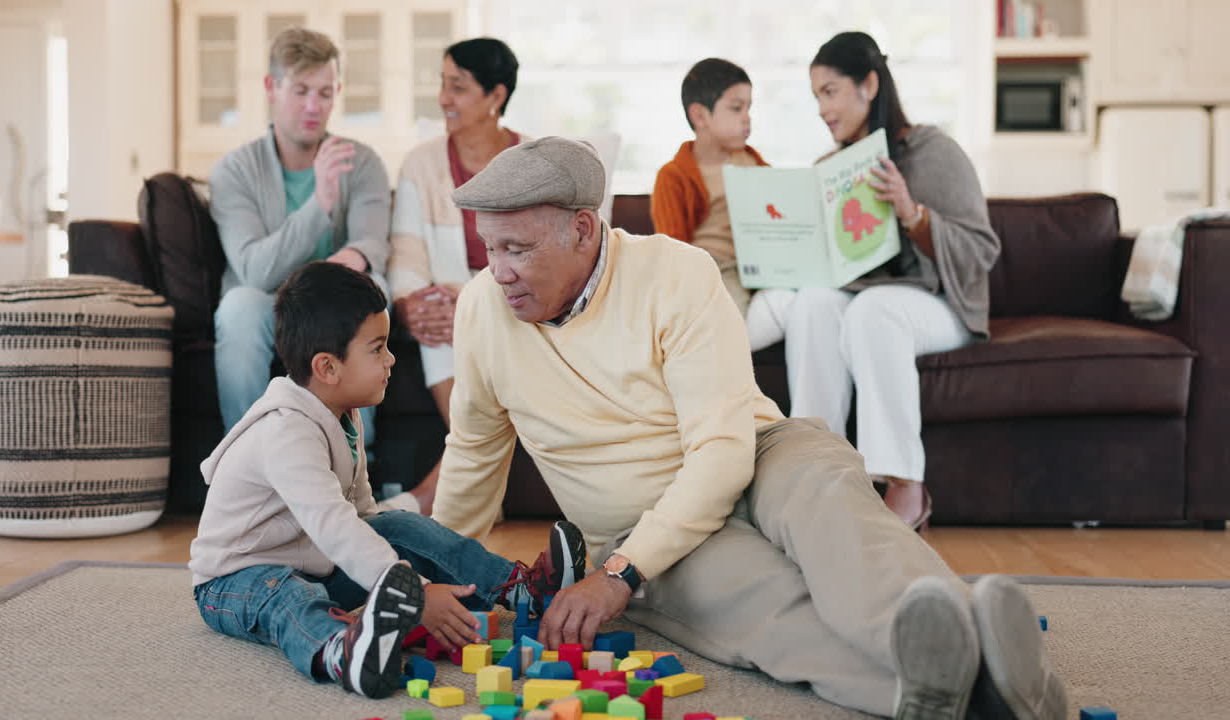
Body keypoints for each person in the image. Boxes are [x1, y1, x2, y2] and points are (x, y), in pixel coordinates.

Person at [430, 136, 1065, 720]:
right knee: (768, 607)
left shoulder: (676, 273)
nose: (500, 270)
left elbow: (721, 452)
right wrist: (434, 576)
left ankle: (956, 635)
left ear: (582, 229)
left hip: (758, 452)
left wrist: (618, 575)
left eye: (518, 248)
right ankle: (982, 693)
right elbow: (475, 455)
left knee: (837, 514)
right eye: (490, 248)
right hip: (644, 530)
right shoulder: (484, 311)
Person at [190, 261, 587, 698]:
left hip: (312, 564)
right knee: (287, 598)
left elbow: (363, 518)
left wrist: (415, 582)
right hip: (233, 583)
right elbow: (336, 529)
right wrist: (416, 595)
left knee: (396, 527)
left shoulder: (345, 415)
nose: (391, 358)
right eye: (377, 348)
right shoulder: (285, 432)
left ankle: (520, 590)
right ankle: (340, 651)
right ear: (327, 367)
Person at [742, 32, 1001, 530]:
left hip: (943, 305)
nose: (822, 108)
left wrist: (912, 213)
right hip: (866, 301)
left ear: (869, 85)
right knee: (814, 303)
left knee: (873, 309)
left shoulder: (932, 150)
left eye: (830, 91)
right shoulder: (831, 168)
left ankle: (906, 484)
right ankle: (821, 475)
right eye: (816, 95)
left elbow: (981, 252)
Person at [209, 27, 432, 511]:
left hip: (333, 302)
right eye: (301, 91)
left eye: (326, 93)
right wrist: (320, 202)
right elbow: (253, 269)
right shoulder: (233, 172)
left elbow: (370, 242)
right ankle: (246, 473)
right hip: (267, 304)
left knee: (362, 294)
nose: (314, 106)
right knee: (239, 306)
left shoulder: (363, 161)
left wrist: (351, 260)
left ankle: (353, 471)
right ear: (272, 90)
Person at [387, 37, 529, 500]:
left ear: (496, 96)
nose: (444, 98)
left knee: (455, 311)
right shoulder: (421, 164)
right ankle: (467, 490)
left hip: (516, 310)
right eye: (443, 84)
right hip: (451, 317)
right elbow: (406, 257)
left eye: (459, 87)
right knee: (436, 316)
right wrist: (413, 305)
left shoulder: (532, 164)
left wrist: (469, 302)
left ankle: (435, 494)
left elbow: (544, 263)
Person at [650, 57, 769, 317]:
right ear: (700, 115)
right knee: (723, 313)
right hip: (710, 268)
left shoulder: (754, 163)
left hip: (757, 266)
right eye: (737, 108)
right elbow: (673, 249)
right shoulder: (674, 176)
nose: (747, 118)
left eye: (749, 108)